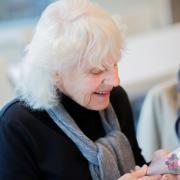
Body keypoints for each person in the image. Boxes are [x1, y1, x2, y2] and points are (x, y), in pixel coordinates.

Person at [0, 0, 177, 180]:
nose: (115, 81)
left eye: (114, 64)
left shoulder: (115, 99)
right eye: (96, 71)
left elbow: (133, 169)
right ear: (55, 73)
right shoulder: (16, 126)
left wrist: (156, 169)